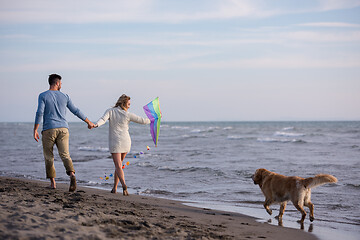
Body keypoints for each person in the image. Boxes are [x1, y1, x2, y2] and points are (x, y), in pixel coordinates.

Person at [34, 74, 95, 192]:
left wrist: (35, 129)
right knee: (65, 154)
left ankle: (53, 183)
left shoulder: (43, 95)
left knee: (49, 156)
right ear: (57, 83)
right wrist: (88, 122)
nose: (61, 85)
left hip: (49, 129)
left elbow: (39, 112)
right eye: (61, 83)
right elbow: (75, 110)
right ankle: (72, 174)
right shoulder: (65, 96)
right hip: (63, 129)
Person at [95, 94, 150, 196]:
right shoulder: (127, 115)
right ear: (123, 103)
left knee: (118, 166)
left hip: (115, 141)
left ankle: (124, 185)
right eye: (128, 104)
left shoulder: (110, 111)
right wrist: (154, 118)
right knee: (119, 166)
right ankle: (115, 188)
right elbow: (143, 121)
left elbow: (102, 119)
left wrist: (96, 124)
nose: (129, 106)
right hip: (126, 141)